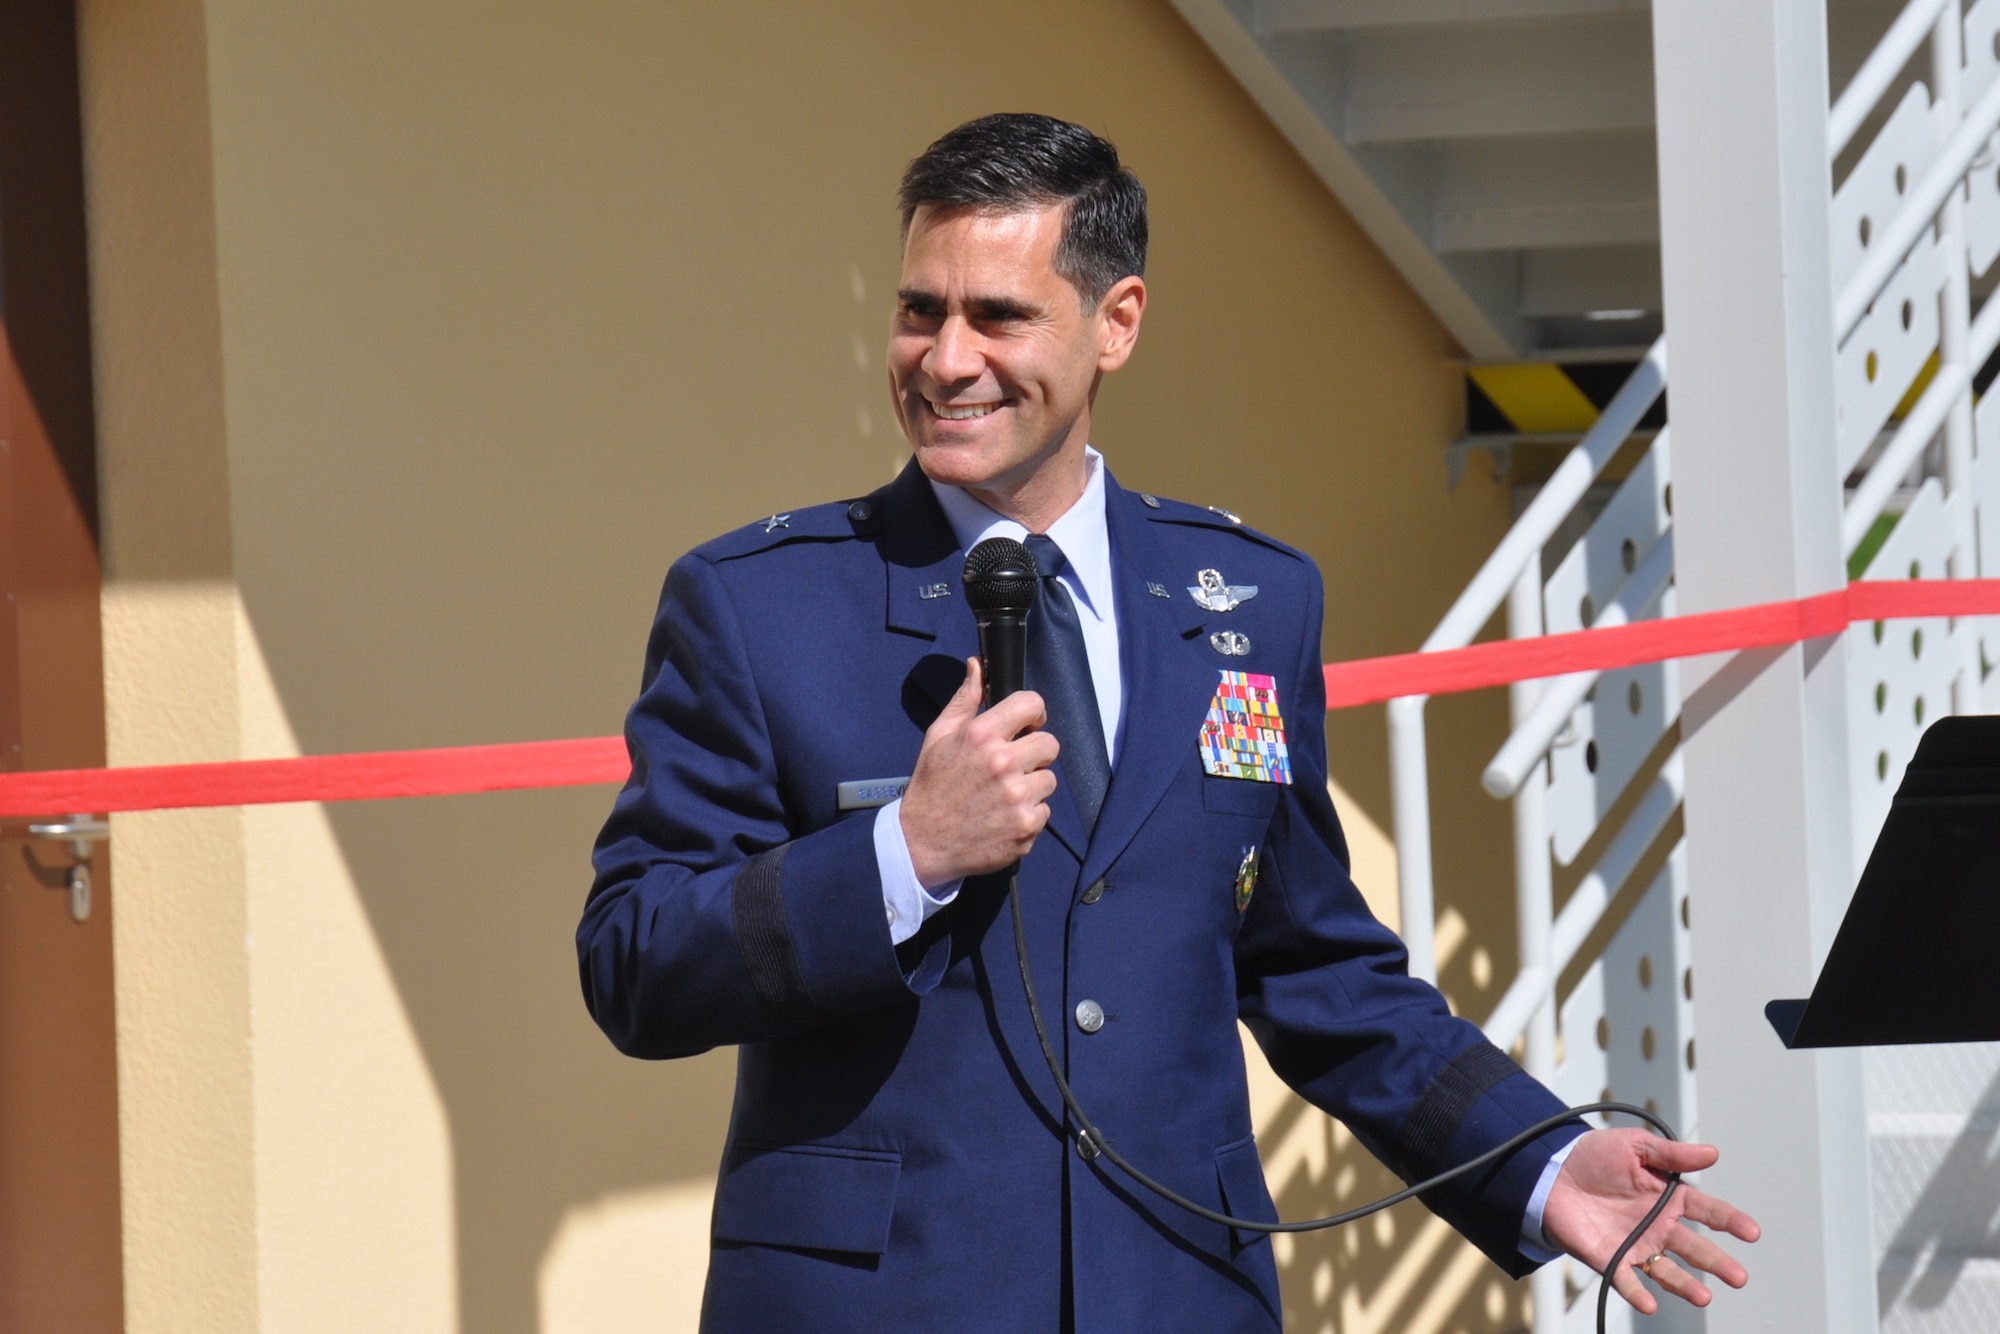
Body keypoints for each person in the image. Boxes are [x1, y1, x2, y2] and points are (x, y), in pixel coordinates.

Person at [577, 112, 1758, 1331]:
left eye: (998, 315)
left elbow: (1310, 962)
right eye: (920, 310)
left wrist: (1540, 1160)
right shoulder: (758, 603)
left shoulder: (1252, 598)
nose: (943, 358)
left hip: (1177, 1294)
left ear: (1116, 322)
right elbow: (633, 956)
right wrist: (901, 856)